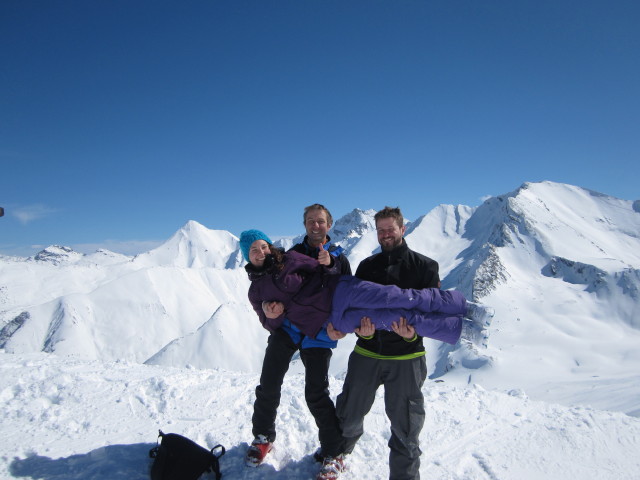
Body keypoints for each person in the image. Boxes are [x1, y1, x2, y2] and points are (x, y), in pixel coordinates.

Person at [334, 206, 473, 480]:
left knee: (406, 427)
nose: (385, 234)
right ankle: (338, 454)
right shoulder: (367, 266)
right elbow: (359, 309)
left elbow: (429, 315)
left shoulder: (425, 267)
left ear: (402, 228)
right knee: (348, 414)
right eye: (380, 230)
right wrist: (364, 332)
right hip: (367, 352)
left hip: (406, 358)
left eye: (390, 229)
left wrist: (412, 335)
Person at [243, 204, 353, 480]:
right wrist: (270, 315)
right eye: (310, 222)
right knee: (268, 383)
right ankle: (262, 436)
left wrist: (340, 326)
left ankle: (333, 453)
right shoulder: (291, 255)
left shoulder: (337, 257)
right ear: (304, 224)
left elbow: (345, 292)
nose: (315, 226)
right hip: (288, 330)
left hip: (318, 332)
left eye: (320, 221)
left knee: (315, 393)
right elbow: (267, 305)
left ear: (329, 224)